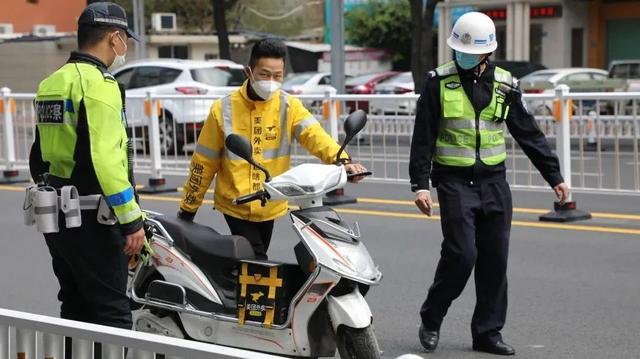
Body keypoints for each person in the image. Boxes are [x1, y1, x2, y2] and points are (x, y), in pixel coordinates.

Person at [409, 12, 570, 356]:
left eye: (470, 51)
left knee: (494, 260)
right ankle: (432, 317)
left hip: (494, 182)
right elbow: (422, 137)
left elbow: (528, 133)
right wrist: (420, 184)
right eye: (458, 50)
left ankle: (487, 333)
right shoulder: (438, 81)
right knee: (462, 254)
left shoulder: (506, 84)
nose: (463, 56)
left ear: (486, 52)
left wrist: (554, 177)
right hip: (454, 182)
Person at [178, 38, 367, 259]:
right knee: (256, 260)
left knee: (252, 263)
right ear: (249, 71)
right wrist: (188, 208)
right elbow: (204, 161)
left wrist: (343, 161)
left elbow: (315, 136)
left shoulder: (289, 106)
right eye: (264, 74)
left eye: (277, 76)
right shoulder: (223, 109)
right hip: (236, 204)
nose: (271, 81)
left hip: (270, 201)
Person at [29, 2, 145, 330]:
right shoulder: (99, 86)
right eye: (125, 40)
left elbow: (38, 155)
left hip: (57, 217)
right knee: (112, 311)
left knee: (75, 304)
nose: (125, 47)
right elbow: (107, 161)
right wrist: (131, 220)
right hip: (95, 216)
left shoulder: (51, 82)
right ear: (114, 38)